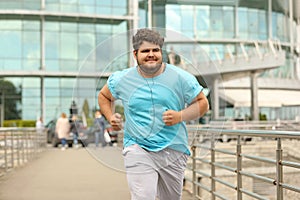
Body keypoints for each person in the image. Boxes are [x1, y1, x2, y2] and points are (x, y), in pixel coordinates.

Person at [98, 28, 209, 200]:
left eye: (155, 50)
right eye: (145, 51)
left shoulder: (180, 77)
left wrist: (180, 116)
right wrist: (110, 116)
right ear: (135, 54)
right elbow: (104, 96)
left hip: (173, 149)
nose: (151, 54)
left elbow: (203, 103)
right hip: (137, 147)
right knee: (143, 197)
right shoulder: (123, 79)